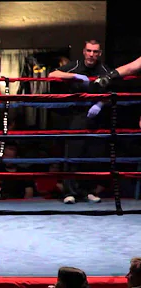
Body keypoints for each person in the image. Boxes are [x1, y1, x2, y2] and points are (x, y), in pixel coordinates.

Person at [48, 39, 109, 204]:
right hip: (75, 115)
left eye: (95, 52)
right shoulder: (75, 66)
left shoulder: (104, 70)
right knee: (72, 152)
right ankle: (70, 192)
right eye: (89, 51)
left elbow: (112, 92)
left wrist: (100, 104)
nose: (91, 54)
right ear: (84, 51)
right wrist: (75, 76)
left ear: (99, 53)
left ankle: (88, 191)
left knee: (92, 155)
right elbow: (52, 74)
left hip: (96, 116)